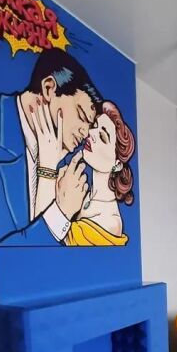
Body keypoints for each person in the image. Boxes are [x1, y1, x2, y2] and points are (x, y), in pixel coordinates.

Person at [0, 48, 102, 245]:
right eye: (82, 116)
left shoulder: (65, 171)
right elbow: (7, 254)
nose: (84, 133)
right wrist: (60, 213)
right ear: (49, 88)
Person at [63, 101, 136, 246]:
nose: (90, 133)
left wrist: (63, 211)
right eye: (94, 126)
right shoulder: (79, 190)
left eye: (102, 136)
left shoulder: (111, 222)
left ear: (117, 165)